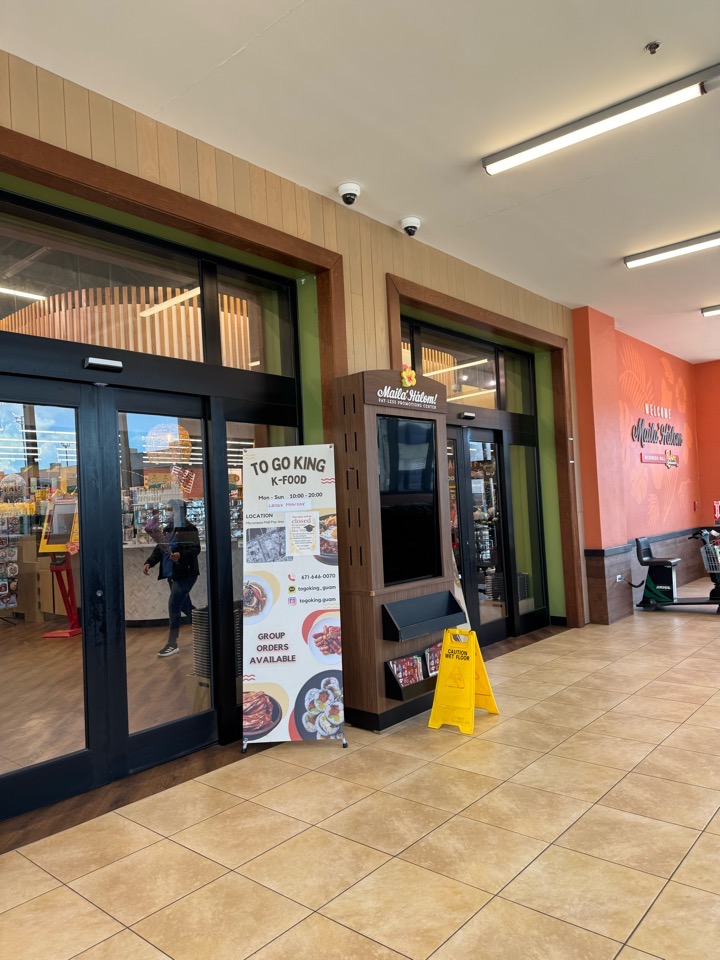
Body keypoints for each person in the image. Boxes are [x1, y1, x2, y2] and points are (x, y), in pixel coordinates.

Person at [143, 499, 200, 657]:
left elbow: (195, 549)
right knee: (185, 607)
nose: (168, 513)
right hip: (172, 574)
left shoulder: (189, 528)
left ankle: (172, 643)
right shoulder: (169, 528)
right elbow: (160, 548)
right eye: (167, 509)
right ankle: (209, 627)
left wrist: (180, 555)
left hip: (186, 574)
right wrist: (150, 562)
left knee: (173, 606)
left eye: (171, 510)